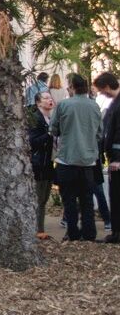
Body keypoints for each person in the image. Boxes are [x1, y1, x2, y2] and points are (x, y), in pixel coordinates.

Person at [49, 73, 102, 242]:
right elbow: (100, 133)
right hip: (88, 160)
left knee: (69, 198)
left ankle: (72, 231)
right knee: (87, 199)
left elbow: (54, 129)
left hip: (67, 158)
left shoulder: (63, 105)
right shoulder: (94, 107)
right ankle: (89, 232)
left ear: (72, 87)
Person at [28, 90, 56, 241]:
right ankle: (38, 230)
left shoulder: (50, 117)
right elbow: (32, 141)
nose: (49, 100)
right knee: (38, 198)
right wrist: (49, 134)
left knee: (44, 198)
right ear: (39, 102)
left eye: (50, 98)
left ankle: (40, 228)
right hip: (38, 163)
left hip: (48, 163)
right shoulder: (35, 119)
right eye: (45, 98)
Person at [100, 75, 120, 244]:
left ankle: (117, 233)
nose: (101, 93)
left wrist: (117, 159)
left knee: (117, 195)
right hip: (114, 154)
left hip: (117, 158)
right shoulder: (115, 103)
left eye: (101, 90)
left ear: (107, 86)